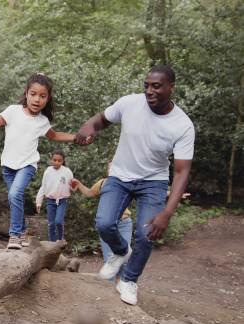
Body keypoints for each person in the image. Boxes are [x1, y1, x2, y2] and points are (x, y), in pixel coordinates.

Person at [75, 65, 194, 306]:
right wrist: (88, 129)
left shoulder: (182, 125)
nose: (149, 91)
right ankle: (120, 251)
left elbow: (182, 172)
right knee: (105, 223)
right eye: (146, 85)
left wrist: (167, 213)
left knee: (146, 233)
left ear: (171, 88)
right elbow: (101, 120)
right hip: (119, 176)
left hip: (153, 182)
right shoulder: (129, 103)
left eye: (157, 86)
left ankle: (129, 280)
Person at [0, 73, 76, 249]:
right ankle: (23, 231)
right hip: (8, 166)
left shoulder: (43, 121)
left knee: (14, 194)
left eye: (42, 96)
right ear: (26, 93)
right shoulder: (12, 111)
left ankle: (15, 235)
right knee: (14, 198)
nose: (37, 99)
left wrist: (75, 137)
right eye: (33, 94)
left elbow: (55, 136)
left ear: (47, 99)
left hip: (27, 165)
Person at [70, 167, 133, 281]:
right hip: (106, 227)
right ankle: (109, 289)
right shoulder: (103, 183)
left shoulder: (127, 182)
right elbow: (89, 193)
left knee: (124, 257)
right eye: (111, 167)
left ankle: (122, 286)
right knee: (109, 258)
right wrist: (78, 184)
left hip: (124, 223)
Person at [36, 150, 74, 241]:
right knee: (51, 223)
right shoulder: (48, 171)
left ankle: (60, 239)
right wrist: (39, 202)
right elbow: (43, 187)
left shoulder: (67, 171)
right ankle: (52, 243)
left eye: (59, 160)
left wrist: (73, 188)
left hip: (62, 201)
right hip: (50, 201)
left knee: (58, 222)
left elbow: (72, 184)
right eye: (54, 160)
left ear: (63, 161)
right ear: (51, 159)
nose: (56, 162)